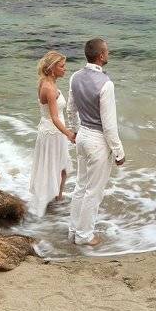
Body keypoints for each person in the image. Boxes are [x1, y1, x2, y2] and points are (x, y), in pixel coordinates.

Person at [66, 36, 125, 246]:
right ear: (101, 56)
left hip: (81, 136)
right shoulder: (106, 84)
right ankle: (85, 235)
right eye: (107, 51)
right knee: (94, 191)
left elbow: (70, 109)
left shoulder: (75, 76)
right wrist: (119, 152)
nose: (108, 54)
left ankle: (74, 230)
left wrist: (73, 131)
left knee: (80, 186)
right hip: (97, 141)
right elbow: (109, 126)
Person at [27, 50, 75, 217]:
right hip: (53, 132)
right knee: (58, 169)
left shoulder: (45, 82)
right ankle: (55, 201)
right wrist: (68, 133)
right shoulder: (49, 88)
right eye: (62, 66)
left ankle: (55, 199)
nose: (65, 69)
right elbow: (54, 117)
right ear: (52, 68)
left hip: (50, 130)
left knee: (57, 168)